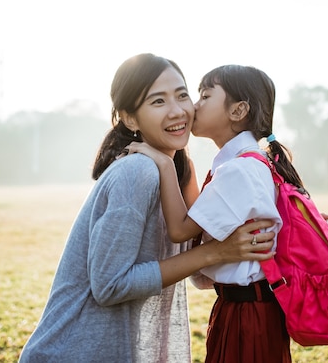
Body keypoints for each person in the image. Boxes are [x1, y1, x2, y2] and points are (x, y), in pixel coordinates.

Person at [18, 54, 276, 363]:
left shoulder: (180, 169)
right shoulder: (136, 172)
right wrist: (217, 252)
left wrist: (291, 228)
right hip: (76, 350)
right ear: (129, 118)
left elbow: (201, 274)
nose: (178, 110)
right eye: (158, 102)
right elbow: (110, 286)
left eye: (183, 95)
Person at [126, 64, 313, 363]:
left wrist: (164, 164)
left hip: (248, 314)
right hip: (244, 308)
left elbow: (180, 229)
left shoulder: (239, 170)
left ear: (238, 111)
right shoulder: (244, 163)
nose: (194, 106)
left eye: (205, 96)